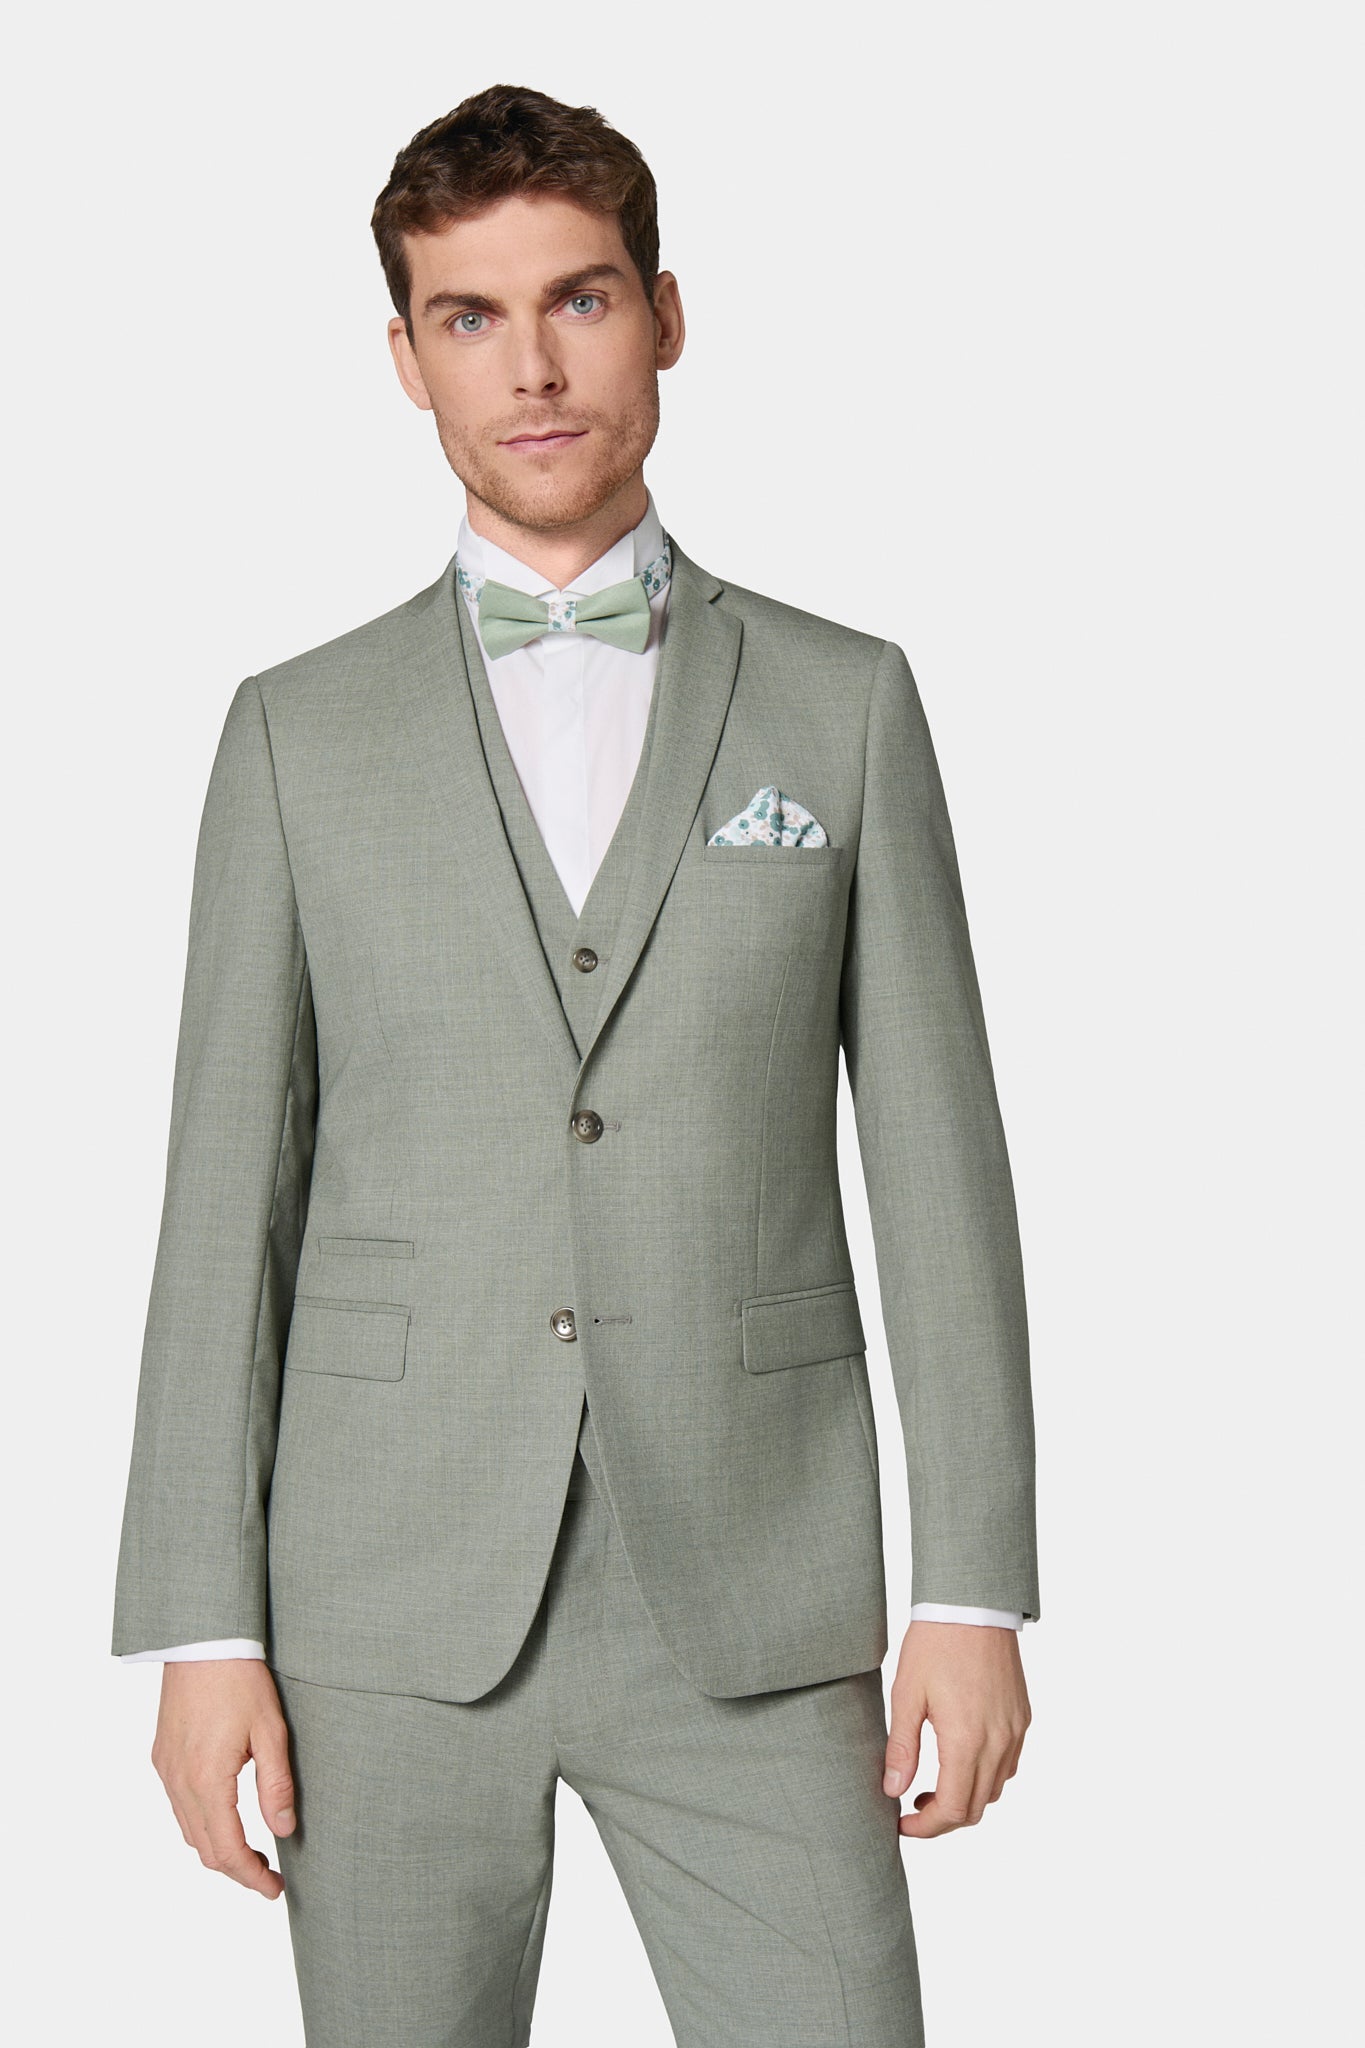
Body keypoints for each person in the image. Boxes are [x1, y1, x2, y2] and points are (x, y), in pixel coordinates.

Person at [112, 82, 1039, 2048]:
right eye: (469, 316)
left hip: (756, 1588)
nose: (530, 368)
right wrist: (202, 1625)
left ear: (664, 315)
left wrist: (971, 1591)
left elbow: (940, 1171)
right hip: (383, 1596)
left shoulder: (842, 705)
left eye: (579, 300)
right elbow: (223, 1199)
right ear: (406, 357)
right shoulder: (294, 735)